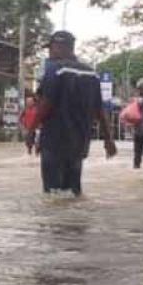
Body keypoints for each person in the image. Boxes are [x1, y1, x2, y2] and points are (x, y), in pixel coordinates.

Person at [30, 31, 117, 195]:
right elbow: (100, 110)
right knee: (73, 190)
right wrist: (109, 139)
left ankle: (55, 220)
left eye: (51, 48)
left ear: (59, 47)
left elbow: (45, 104)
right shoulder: (91, 74)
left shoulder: (56, 70)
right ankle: (73, 220)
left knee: (53, 192)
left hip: (54, 140)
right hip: (79, 142)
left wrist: (31, 131)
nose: (49, 52)